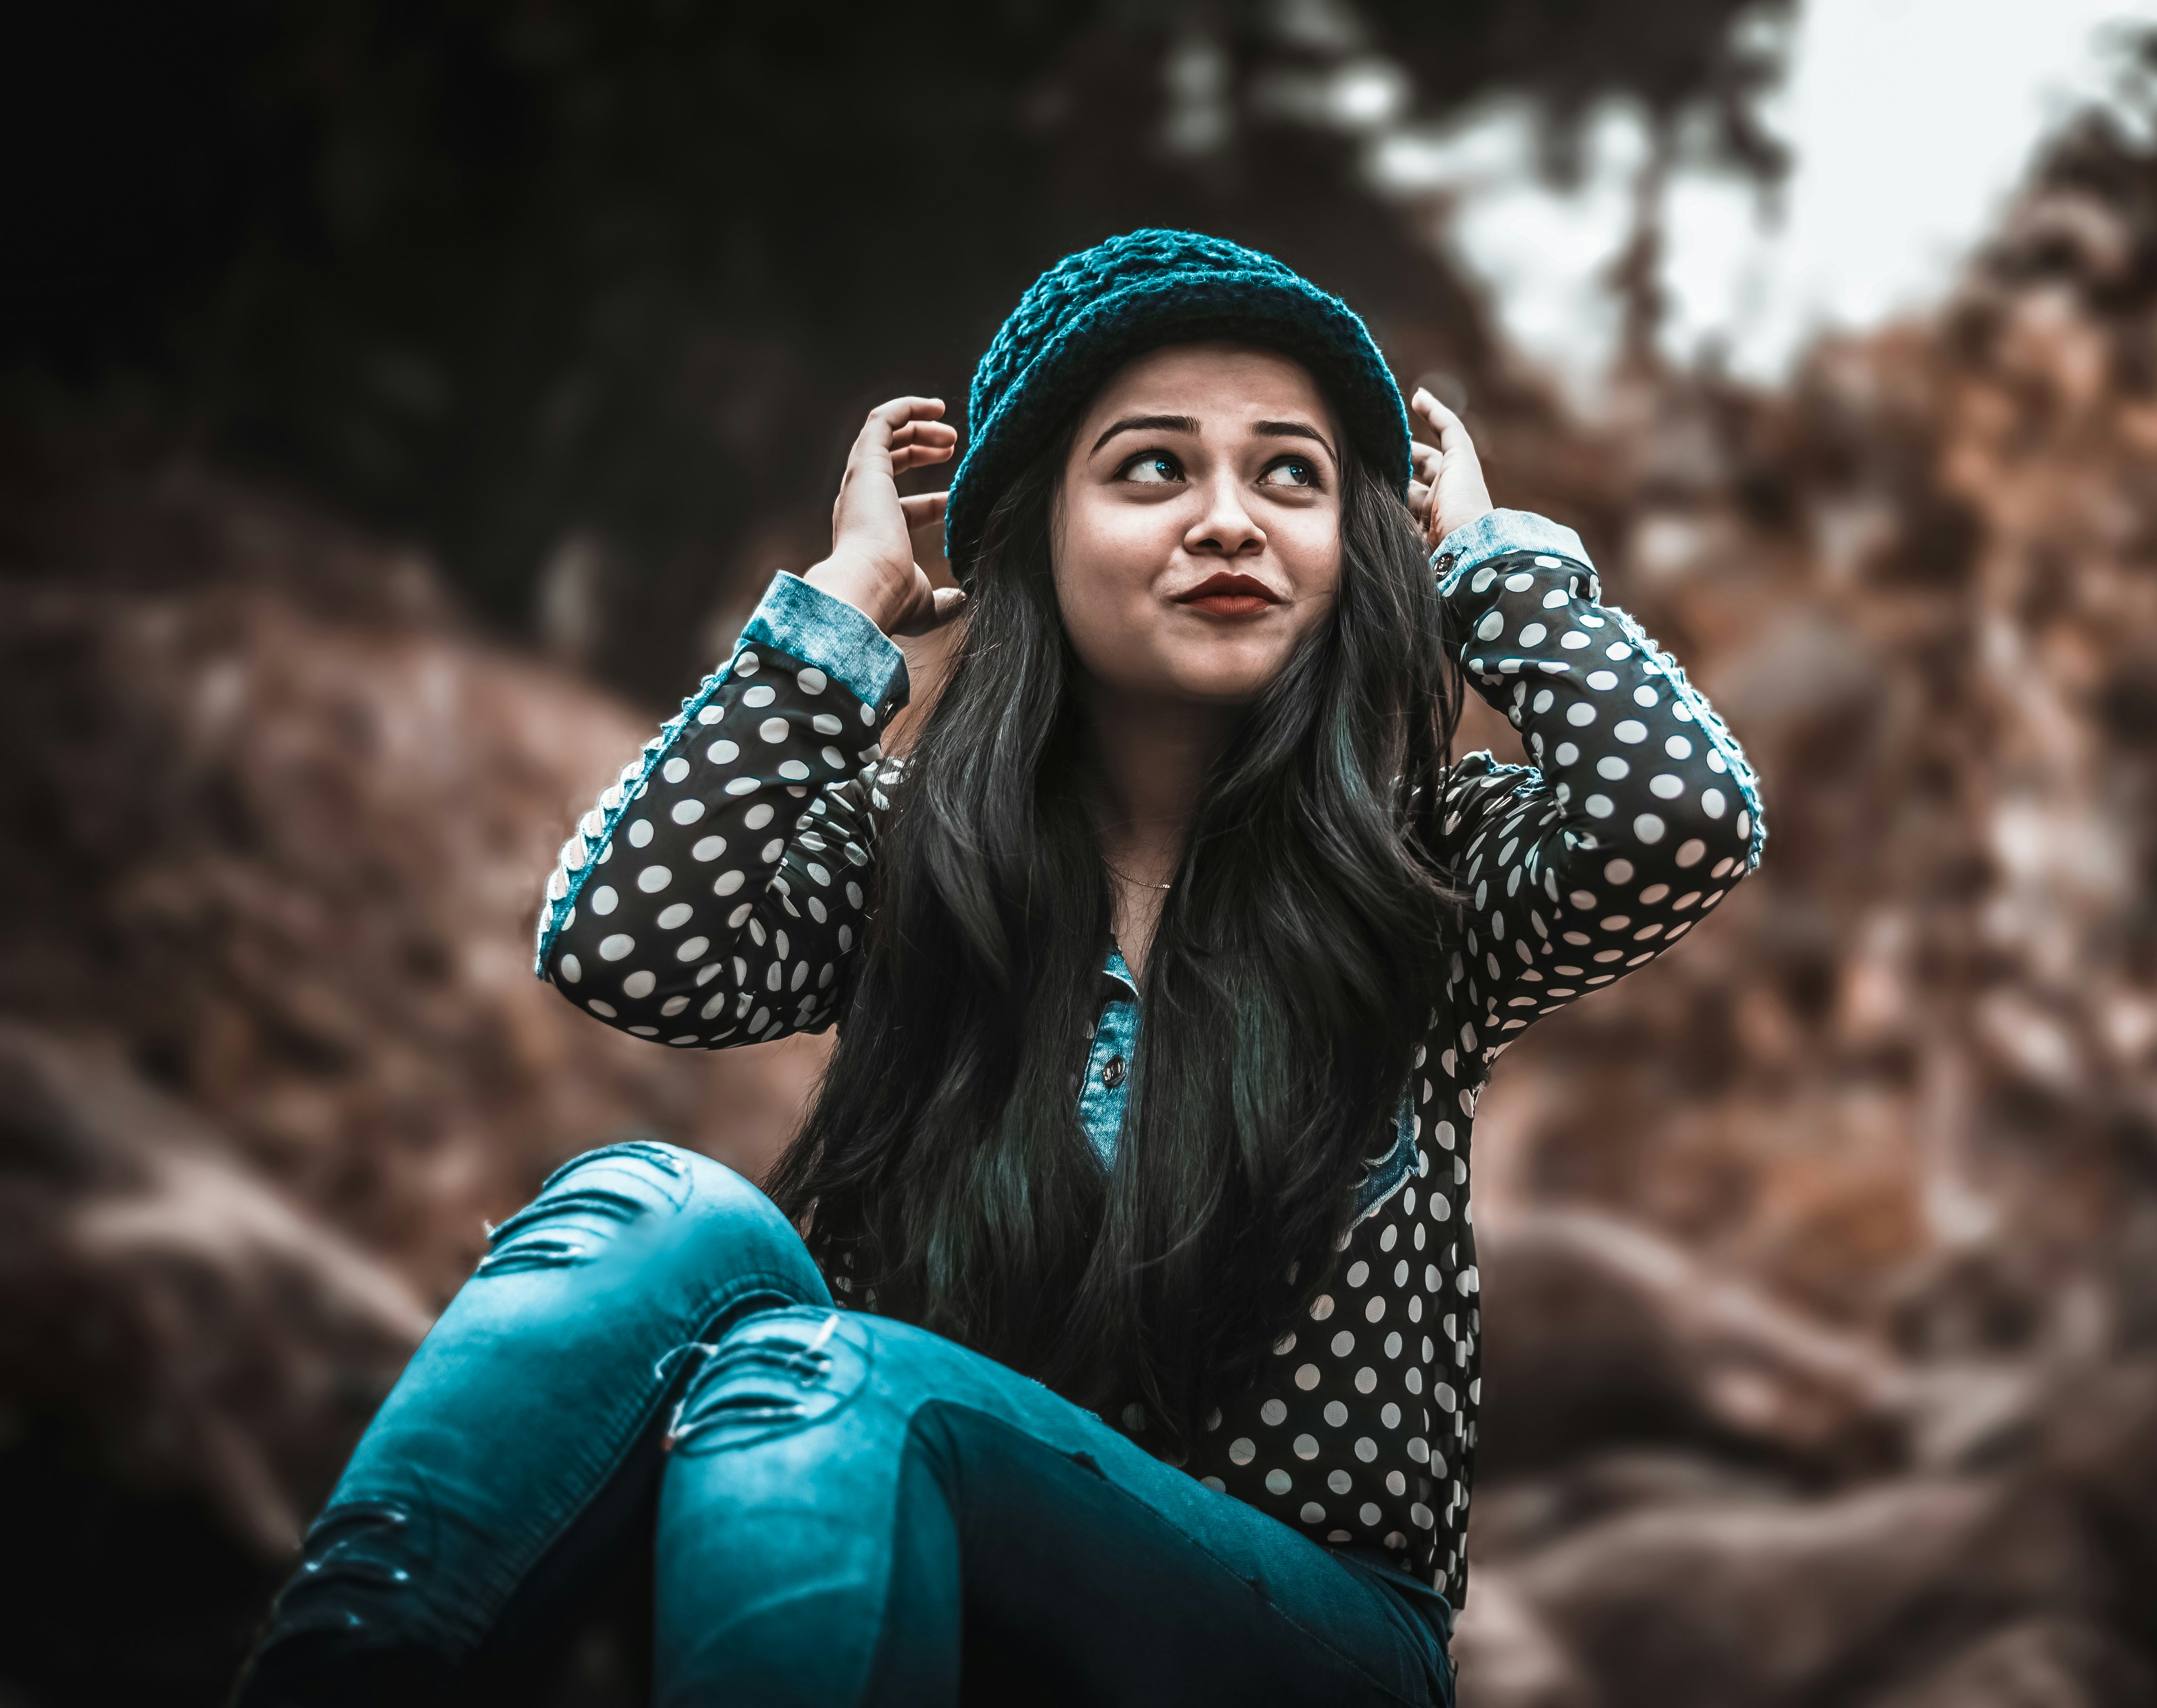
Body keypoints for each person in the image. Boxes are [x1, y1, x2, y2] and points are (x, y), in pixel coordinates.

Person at [234, 229, 1763, 1705]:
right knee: (660, 1215)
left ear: (1359, 547)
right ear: (1032, 528)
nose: (1228, 518)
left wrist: (1494, 574)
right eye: (1153, 466)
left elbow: (1688, 817)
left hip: (1300, 1638)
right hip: (907, 1546)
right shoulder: (920, 857)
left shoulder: (1428, 871)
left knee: (835, 1383)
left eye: (1291, 475)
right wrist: (842, 613)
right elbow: (625, 944)